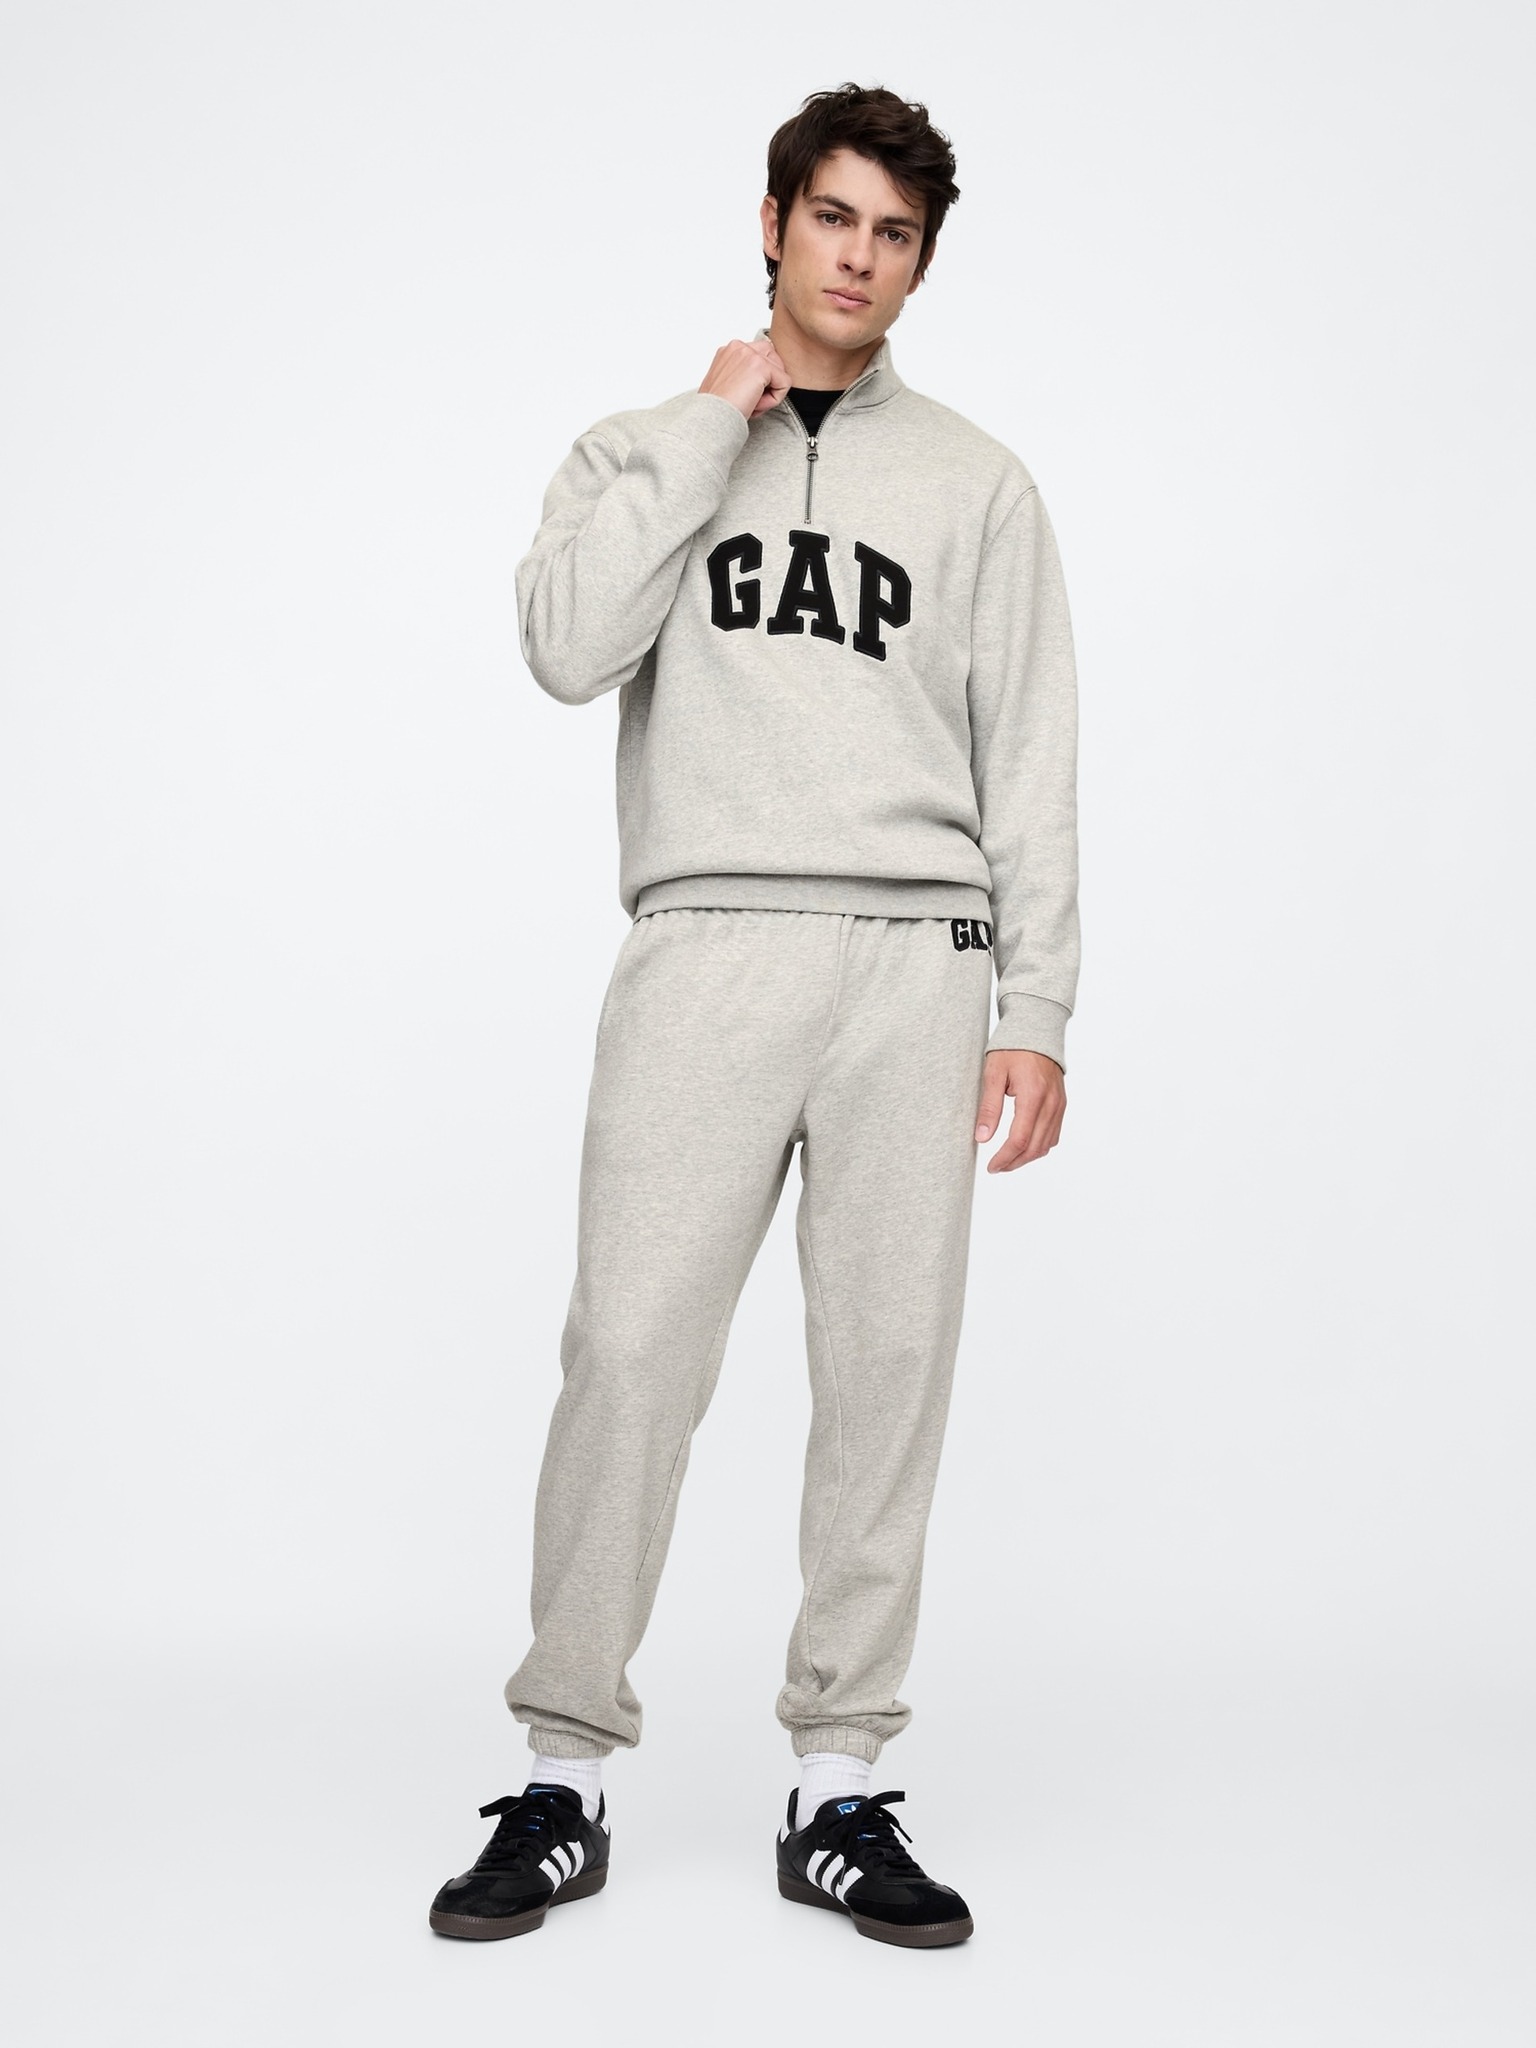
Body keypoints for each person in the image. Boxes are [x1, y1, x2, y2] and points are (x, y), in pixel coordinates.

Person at [428, 80, 1080, 1951]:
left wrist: (1035, 1001)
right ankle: (563, 1773)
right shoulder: (640, 447)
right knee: (631, 1356)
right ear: (775, 221)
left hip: (916, 963)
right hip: (706, 942)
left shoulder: (978, 484)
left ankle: (840, 1786)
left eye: (897, 235)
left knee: (886, 1377)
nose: (861, 259)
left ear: (920, 263)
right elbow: (566, 648)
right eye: (836, 218)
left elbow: (1031, 755)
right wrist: (712, 423)